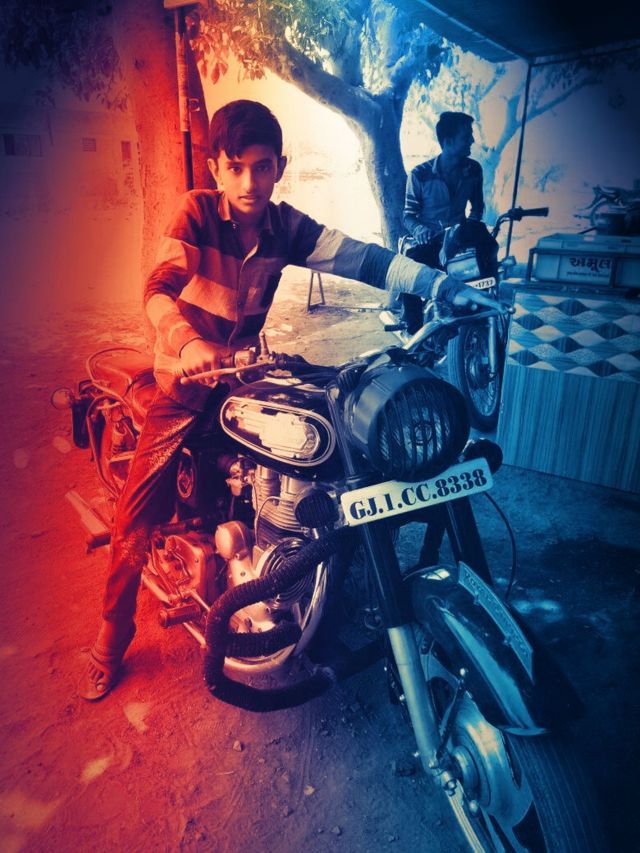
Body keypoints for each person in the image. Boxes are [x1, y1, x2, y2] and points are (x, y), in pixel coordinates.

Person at [79, 99, 498, 700]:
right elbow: (157, 288)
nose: (250, 182)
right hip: (185, 383)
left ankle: (296, 577)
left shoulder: (286, 227)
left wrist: (439, 284)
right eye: (236, 168)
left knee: (320, 454)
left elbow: (363, 257)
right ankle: (110, 636)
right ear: (217, 169)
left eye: (263, 166)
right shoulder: (197, 214)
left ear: (280, 166)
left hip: (244, 375)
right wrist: (188, 342)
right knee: (136, 517)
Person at [399, 111, 484, 333]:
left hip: (459, 242)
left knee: (486, 264)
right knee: (408, 271)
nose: (472, 141)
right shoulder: (420, 174)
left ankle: (478, 323)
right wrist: (419, 229)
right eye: (466, 136)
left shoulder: (474, 170)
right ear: (448, 141)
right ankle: (414, 332)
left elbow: (477, 207)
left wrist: (468, 228)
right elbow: (408, 215)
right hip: (431, 242)